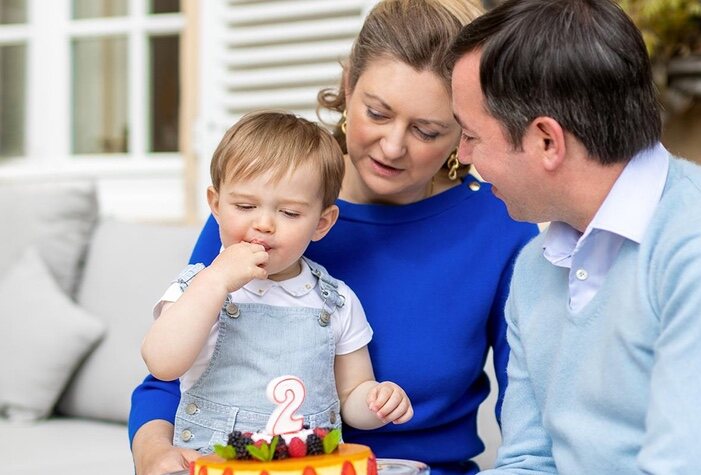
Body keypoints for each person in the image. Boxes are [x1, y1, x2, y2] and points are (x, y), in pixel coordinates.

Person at [129, 1, 538, 475]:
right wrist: (158, 457)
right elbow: (169, 378)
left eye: (427, 130)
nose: (393, 146)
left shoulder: (500, 225)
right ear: (348, 87)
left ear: (465, 129)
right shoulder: (260, 208)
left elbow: (529, 419)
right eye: (378, 113)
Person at [449, 0, 701, 473]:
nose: (463, 155)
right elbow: (529, 461)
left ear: (546, 141)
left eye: (471, 135)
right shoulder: (534, 267)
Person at [140, 111, 413, 455]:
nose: (265, 224)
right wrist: (217, 280)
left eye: (290, 213)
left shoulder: (336, 300)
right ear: (216, 205)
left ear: (322, 223)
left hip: (307, 464)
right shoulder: (197, 287)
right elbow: (162, 363)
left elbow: (351, 395)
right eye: (245, 205)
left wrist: (376, 402)